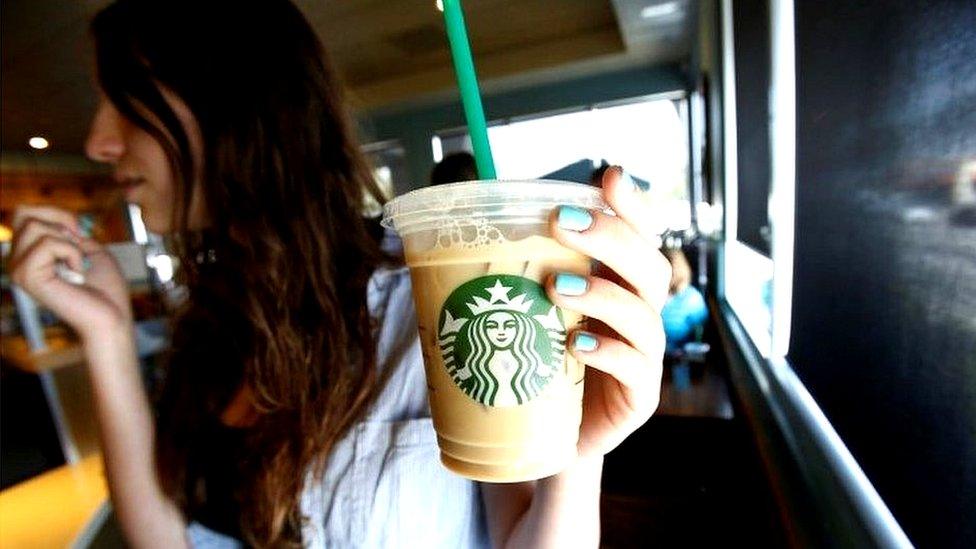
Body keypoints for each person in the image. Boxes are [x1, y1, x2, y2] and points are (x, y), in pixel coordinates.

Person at [8, 1, 671, 547]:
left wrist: (573, 457)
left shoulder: (431, 300)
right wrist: (108, 336)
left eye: (126, 101)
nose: (97, 141)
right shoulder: (211, 318)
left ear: (237, 101)